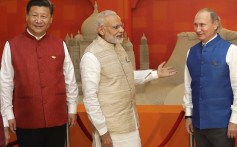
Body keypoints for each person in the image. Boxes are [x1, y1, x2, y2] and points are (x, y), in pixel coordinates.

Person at [80, 10, 177, 147]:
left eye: (121, 26)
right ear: (101, 30)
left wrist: (156, 74)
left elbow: (127, 76)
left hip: (130, 124)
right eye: (116, 27)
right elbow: (90, 97)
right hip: (110, 130)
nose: (121, 30)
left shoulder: (119, 47)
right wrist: (103, 132)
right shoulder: (91, 56)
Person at [0, 0, 79, 147]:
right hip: (26, 118)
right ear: (26, 16)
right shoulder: (12, 45)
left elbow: (69, 78)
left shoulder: (59, 44)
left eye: (44, 16)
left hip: (57, 117)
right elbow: (5, 83)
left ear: (51, 19)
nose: (38, 20)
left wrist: (72, 108)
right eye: (34, 15)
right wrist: (8, 115)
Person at [183, 8, 237, 147]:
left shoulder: (231, 50)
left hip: (223, 125)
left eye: (202, 25)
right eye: (195, 25)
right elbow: (188, 87)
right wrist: (189, 115)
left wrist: (235, 120)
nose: (198, 29)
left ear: (215, 24)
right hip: (198, 125)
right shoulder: (191, 52)